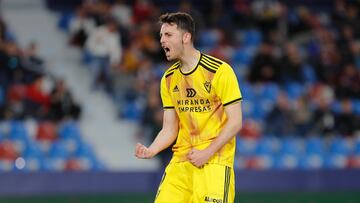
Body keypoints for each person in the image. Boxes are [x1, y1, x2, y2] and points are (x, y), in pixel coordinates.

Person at [135, 12, 242, 203]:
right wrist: (151, 150)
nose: (161, 40)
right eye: (161, 35)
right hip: (181, 165)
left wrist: (206, 153)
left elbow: (235, 123)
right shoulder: (168, 79)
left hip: (214, 163)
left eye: (168, 35)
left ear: (186, 37)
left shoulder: (219, 71)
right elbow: (169, 129)